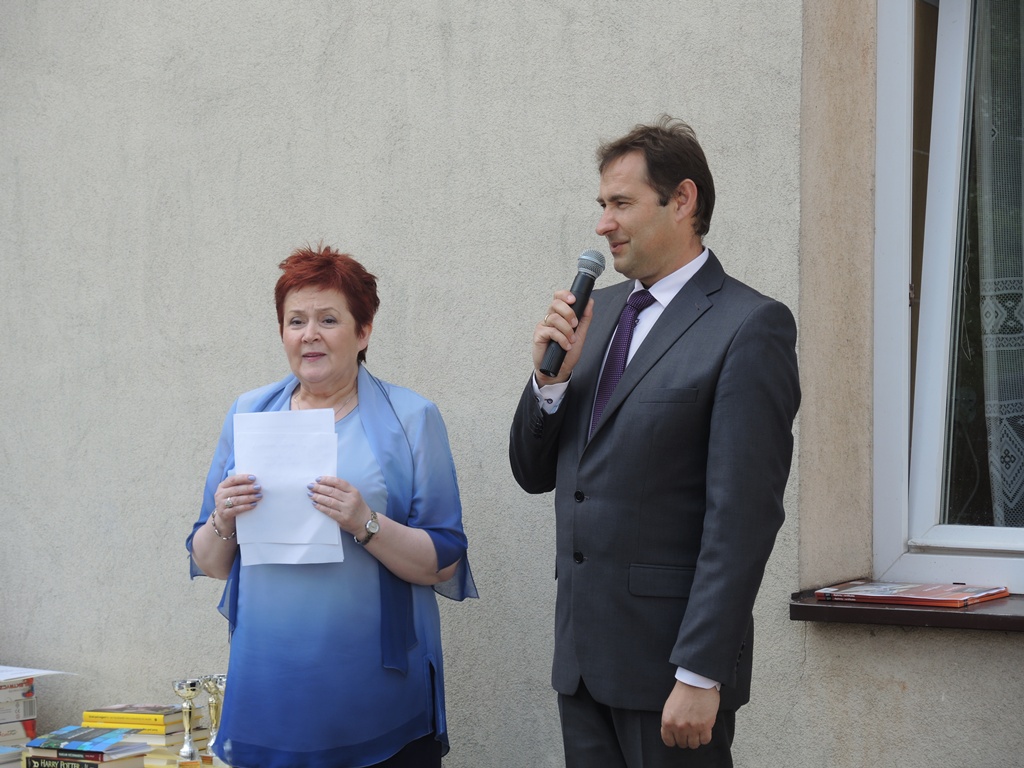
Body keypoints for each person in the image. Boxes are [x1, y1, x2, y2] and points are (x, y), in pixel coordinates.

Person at [509, 117, 800, 767]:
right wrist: (548, 383)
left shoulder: (749, 326)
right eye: (601, 205)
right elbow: (533, 473)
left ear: (682, 200)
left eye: (621, 203)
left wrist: (701, 671)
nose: (602, 225)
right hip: (582, 667)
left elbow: (742, 519)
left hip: (670, 673)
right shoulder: (598, 313)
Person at [187, 244, 476, 768]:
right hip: (271, 690)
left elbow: (445, 563)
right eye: (295, 320)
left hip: (374, 693)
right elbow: (210, 562)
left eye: (328, 319)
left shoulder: (413, 418)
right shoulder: (249, 413)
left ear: (363, 332)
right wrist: (221, 517)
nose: (309, 334)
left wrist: (365, 522)